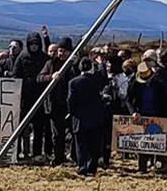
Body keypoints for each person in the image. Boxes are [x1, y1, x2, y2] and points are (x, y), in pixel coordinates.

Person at [10, 32, 49, 159]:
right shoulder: (22, 57)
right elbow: (15, 76)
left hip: (40, 97)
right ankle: (17, 152)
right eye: (31, 43)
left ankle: (37, 153)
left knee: (39, 128)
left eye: (36, 43)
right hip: (24, 97)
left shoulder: (45, 58)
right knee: (20, 127)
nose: (34, 46)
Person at [127, 60, 167, 175]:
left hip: (157, 115)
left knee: (158, 142)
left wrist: (165, 118)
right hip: (141, 115)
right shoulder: (135, 84)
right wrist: (133, 112)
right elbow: (129, 100)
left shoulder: (159, 84)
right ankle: (142, 167)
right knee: (143, 143)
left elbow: (165, 101)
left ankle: (161, 166)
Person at [67, 58, 106, 176]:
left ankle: (82, 166)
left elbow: (70, 100)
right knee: (94, 144)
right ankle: (92, 167)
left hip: (80, 118)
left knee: (81, 144)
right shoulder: (97, 80)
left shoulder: (73, 82)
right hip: (96, 117)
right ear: (91, 68)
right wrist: (101, 64)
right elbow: (104, 77)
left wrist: (71, 112)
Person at [38, 38, 74, 166]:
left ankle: (73, 156)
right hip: (55, 104)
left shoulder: (74, 65)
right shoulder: (50, 64)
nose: (61, 54)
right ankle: (58, 158)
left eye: (64, 51)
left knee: (73, 133)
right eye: (59, 51)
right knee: (57, 134)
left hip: (72, 105)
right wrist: (50, 77)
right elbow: (40, 78)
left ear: (69, 52)